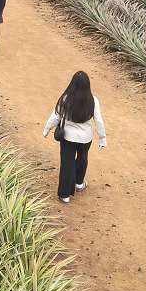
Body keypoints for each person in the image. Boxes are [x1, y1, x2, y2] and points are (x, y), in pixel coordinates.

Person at [40, 70, 106, 204]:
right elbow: (98, 121)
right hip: (86, 138)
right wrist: (102, 138)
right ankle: (79, 183)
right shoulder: (93, 101)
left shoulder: (65, 99)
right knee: (82, 159)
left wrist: (47, 129)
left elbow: (56, 116)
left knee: (67, 163)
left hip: (68, 138)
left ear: (72, 84)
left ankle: (65, 195)